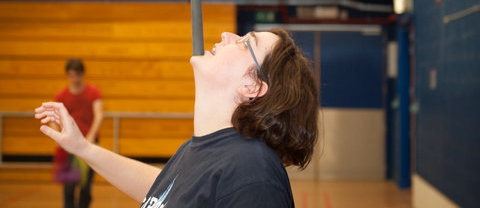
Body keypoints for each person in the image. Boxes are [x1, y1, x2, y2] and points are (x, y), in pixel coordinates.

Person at [36, 29, 318, 207]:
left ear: (252, 87)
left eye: (245, 43)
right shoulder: (203, 150)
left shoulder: (252, 172)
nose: (226, 35)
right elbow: (165, 192)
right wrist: (82, 147)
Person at [52, 58, 103, 208]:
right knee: (69, 187)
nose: (75, 79)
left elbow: (99, 114)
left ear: (82, 75)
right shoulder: (61, 95)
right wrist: (57, 135)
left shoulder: (93, 92)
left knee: (85, 187)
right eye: (71, 75)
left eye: (77, 75)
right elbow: (53, 118)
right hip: (68, 147)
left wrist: (92, 134)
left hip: (88, 145)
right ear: (68, 75)